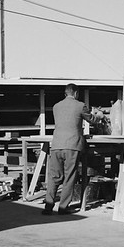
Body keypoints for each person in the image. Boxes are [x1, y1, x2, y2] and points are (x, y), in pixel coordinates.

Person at [43, 83, 103, 215]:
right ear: (76, 93)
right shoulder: (80, 105)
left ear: (65, 93)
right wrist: (99, 116)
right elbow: (92, 120)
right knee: (69, 177)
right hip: (72, 145)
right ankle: (63, 208)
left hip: (57, 145)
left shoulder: (56, 106)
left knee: (54, 176)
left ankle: (48, 207)